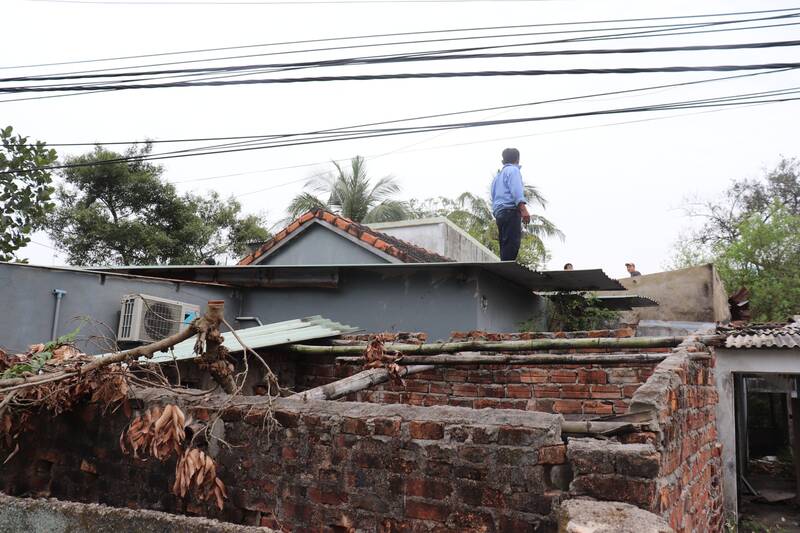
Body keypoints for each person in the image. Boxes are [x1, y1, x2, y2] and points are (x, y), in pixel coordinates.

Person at [491, 148, 530, 261]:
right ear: (517, 159)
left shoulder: (497, 177)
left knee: (505, 244)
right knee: (512, 244)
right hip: (510, 211)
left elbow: (493, 196)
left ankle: (504, 266)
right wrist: (523, 210)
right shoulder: (513, 170)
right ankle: (506, 270)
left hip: (499, 213)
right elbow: (516, 191)